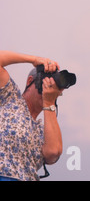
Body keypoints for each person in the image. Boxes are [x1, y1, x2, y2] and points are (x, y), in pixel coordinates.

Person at [0, 51, 64, 181]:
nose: (48, 88)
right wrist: (34, 60)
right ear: (30, 81)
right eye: (45, 82)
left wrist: (49, 102)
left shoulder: (43, 130)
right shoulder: (10, 96)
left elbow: (53, 153)